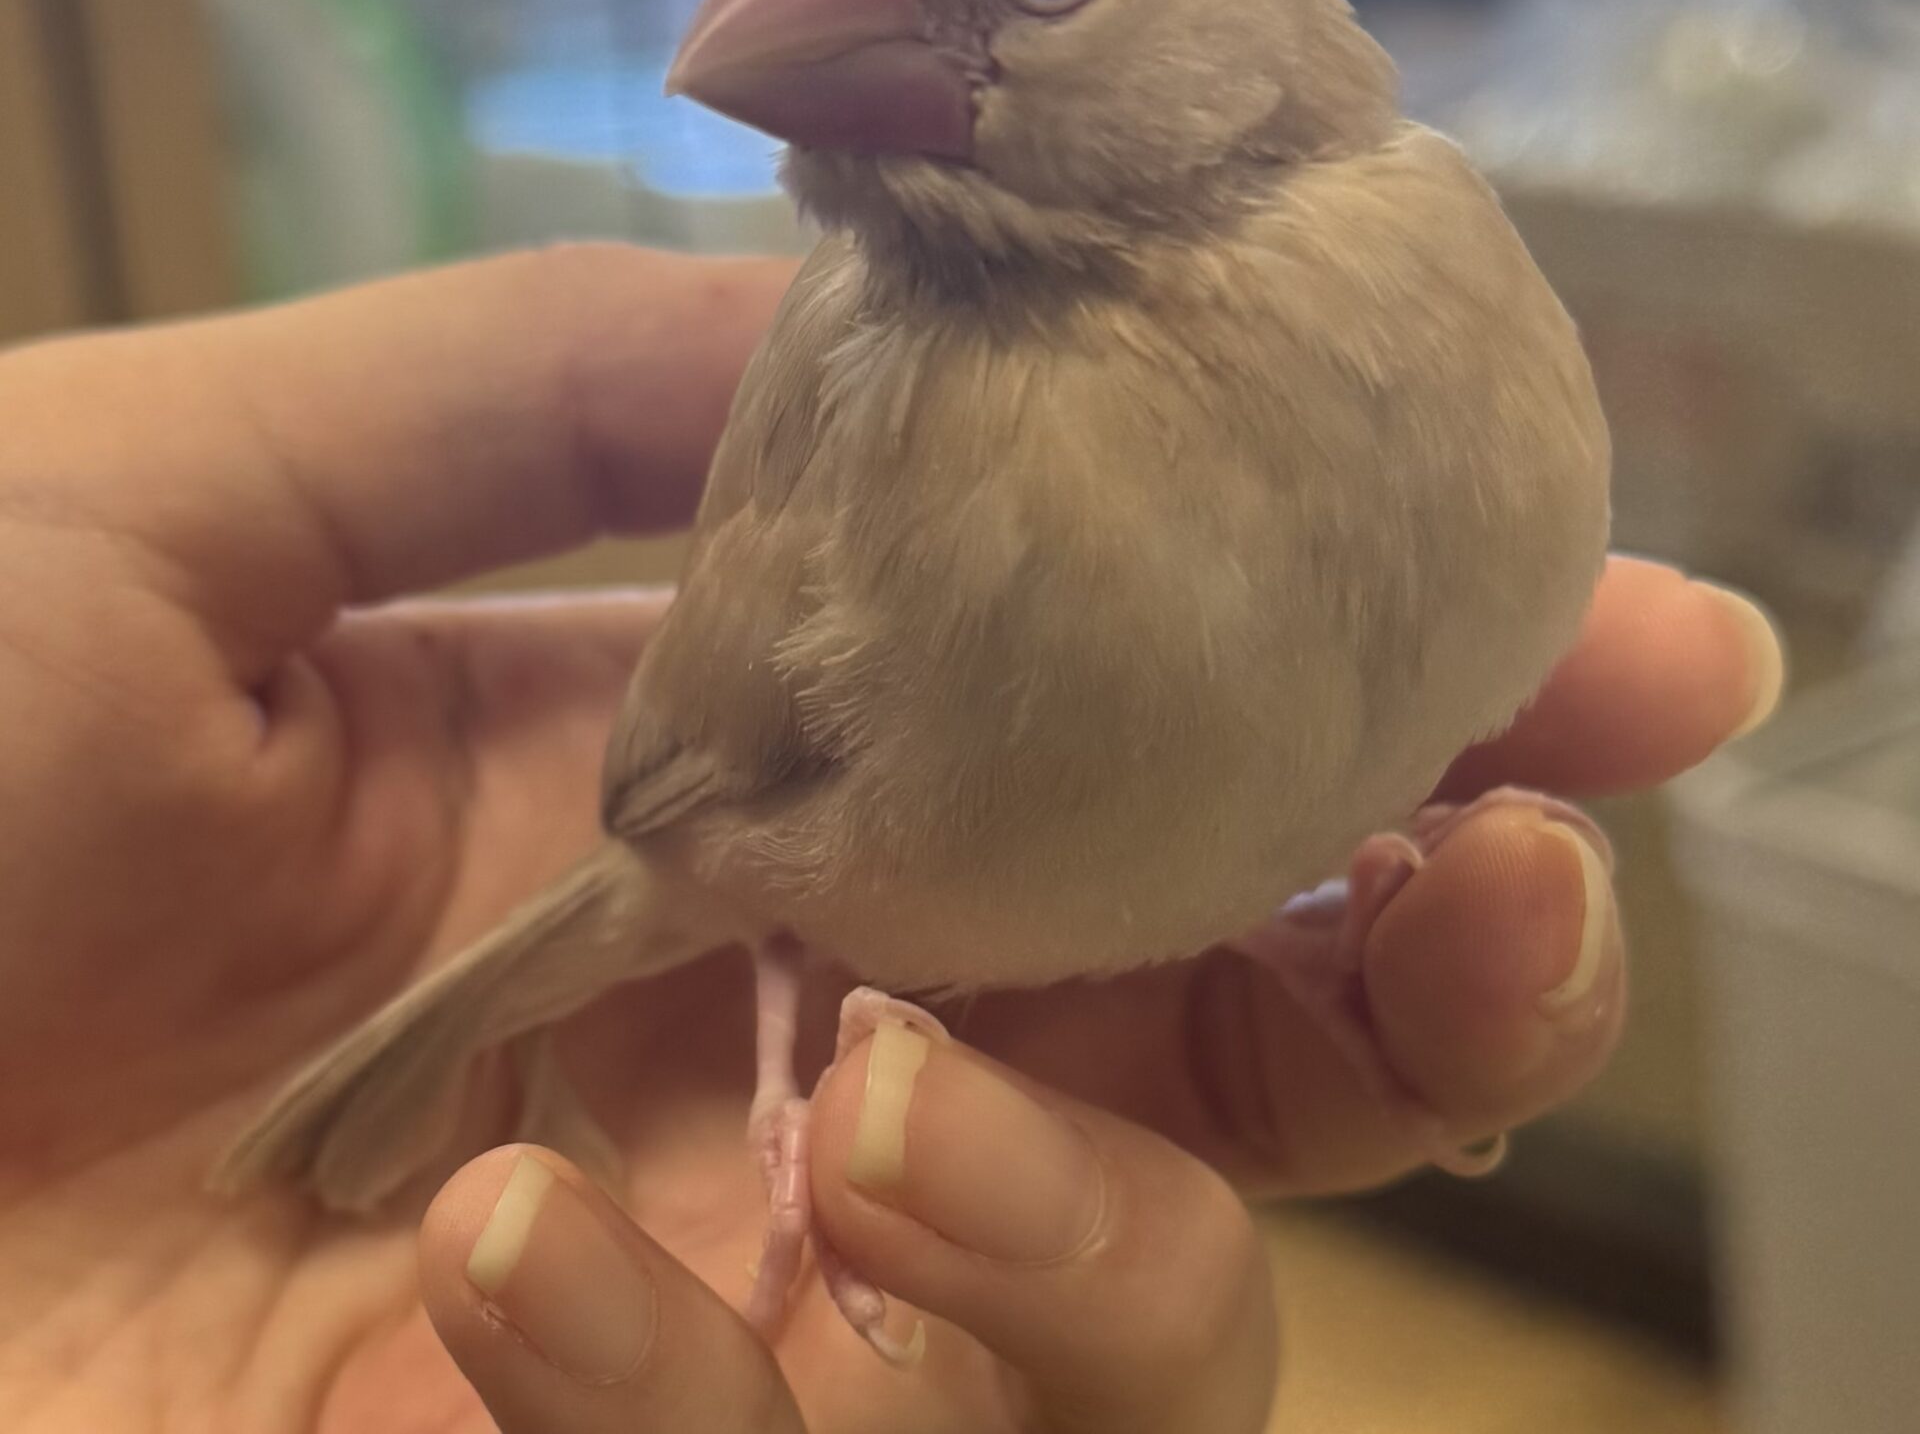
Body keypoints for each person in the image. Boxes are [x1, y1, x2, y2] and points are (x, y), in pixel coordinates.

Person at [0, 246, 1780, 1433]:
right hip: (717, 837)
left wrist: (1281, 909)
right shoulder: (913, 403)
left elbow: (1100, 838)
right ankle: (780, 1111)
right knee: (807, 975)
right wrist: (779, 1111)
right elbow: (745, 845)